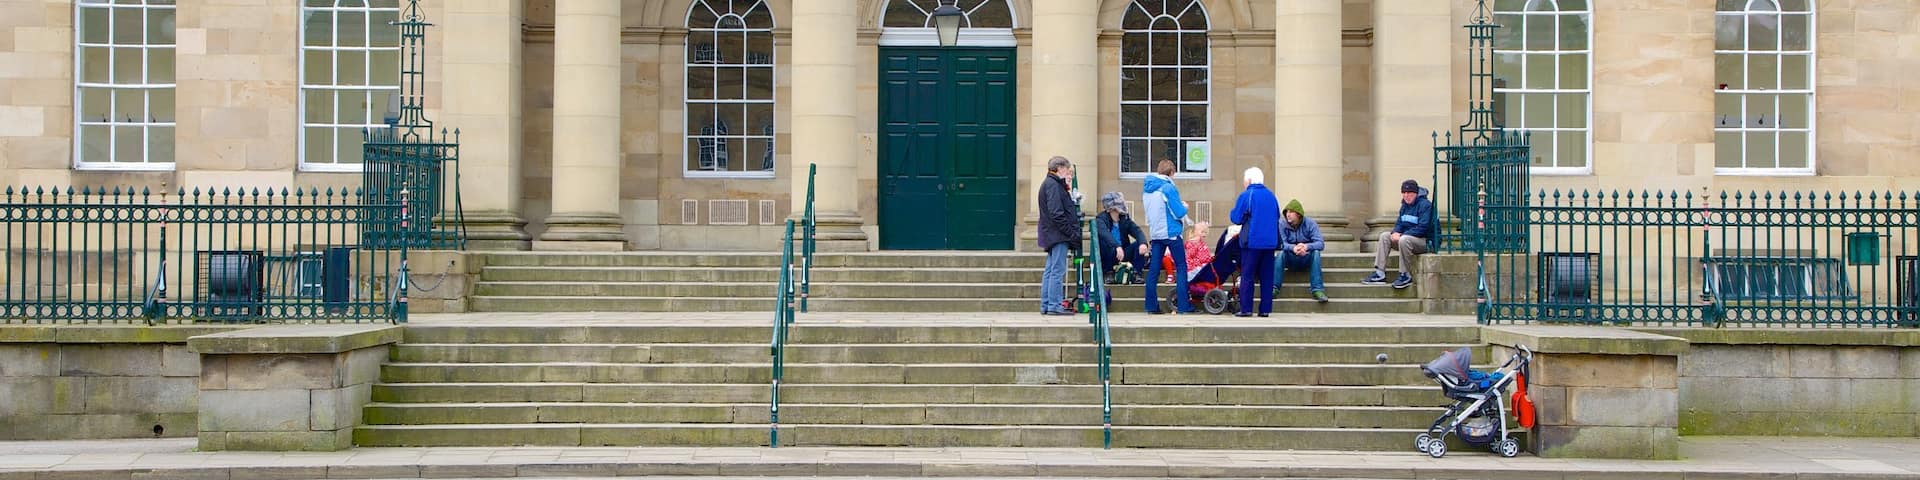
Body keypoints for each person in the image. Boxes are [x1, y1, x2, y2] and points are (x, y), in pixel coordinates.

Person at [1141, 158, 1194, 314]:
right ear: (1171, 173)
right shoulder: (1168, 187)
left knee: (1154, 270)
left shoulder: (1147, 189)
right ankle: (1184, 306)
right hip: (1171, 233)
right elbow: (1178, 212)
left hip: (1156, 233)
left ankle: (1151, 306)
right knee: (1182, 267)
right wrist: (1185, 207)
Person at [1228, 167, 1281, 317]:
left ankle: (1246, 309)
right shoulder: (1271, 196)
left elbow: (1236, 218)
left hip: (1252, 242)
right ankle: (1265, 309)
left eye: (1245, 180)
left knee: (1248, 275)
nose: (1244, 183)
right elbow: (1276, 215)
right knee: (1267, 276)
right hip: (1270, 242)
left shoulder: (1247, 195)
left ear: (1250, 180)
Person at [1365, 179, 1436, 289]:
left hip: (1426, 242)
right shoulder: (1404, 206)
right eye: (1404, 193)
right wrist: (1395, 232)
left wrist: (1402, 235)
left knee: (1404, 239)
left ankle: (1405, 275)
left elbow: (1423, 228)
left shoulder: (1425, 205)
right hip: (1409, 239)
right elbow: (1400, 223)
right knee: (1385, 236)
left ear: (1416, 193)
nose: (1406, 196)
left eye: (1409, 193)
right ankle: (1380, 274)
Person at [1036, 156, 1082, 316]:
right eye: (1066, 169)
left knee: (1050, 270)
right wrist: (1070, 232)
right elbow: (1057, 213)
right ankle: (1054, 304)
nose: (1068, 172)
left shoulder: (1050, 184)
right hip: (1058, 234)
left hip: (1052, 233)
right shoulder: (1053, 185)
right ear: (1060, 168)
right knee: (1057, 270)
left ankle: (1047, 304)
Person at [1277, 199, 1330, 303]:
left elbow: (1320, 243)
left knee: (1316, 252)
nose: (1288, 214)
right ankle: (1274, 288)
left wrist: (1306, 246)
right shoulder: (1281, 224)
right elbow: (1281, 244)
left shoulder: (1310, 223)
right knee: (1281, 253)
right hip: (1290, 259)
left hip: (1306, 258)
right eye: (1287, 212)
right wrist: (1293, 248)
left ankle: (1317, 290)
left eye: (1291, 212)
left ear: (1299, 214)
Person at [1094, 192, 1148, 284]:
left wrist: (1143, 243)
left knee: (1138, 244)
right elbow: (1105, 235)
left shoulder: (1124, 218)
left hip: (1123, 253)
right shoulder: (1100, 219)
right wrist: (1117, 246)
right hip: (1108, 255)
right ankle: (1108, 272)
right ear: (1110, 208)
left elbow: (1136, 230)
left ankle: (1136, 273)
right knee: (1104, 243)